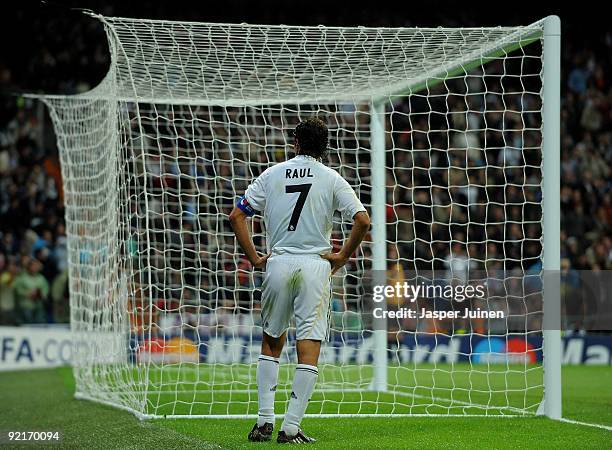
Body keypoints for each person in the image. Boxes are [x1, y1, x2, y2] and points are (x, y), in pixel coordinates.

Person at [229, 117, 370, 444]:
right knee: (308, 347)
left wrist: (253, 257)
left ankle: (264, 420)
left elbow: (236, 215)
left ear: (295, 142)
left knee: (271, 341)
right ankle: (290, 427)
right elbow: (363, 220)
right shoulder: (332, 178)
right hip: (314, 266)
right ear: (324, 148)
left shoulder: (272, 174)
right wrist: (342, 256)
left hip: (277, 262)